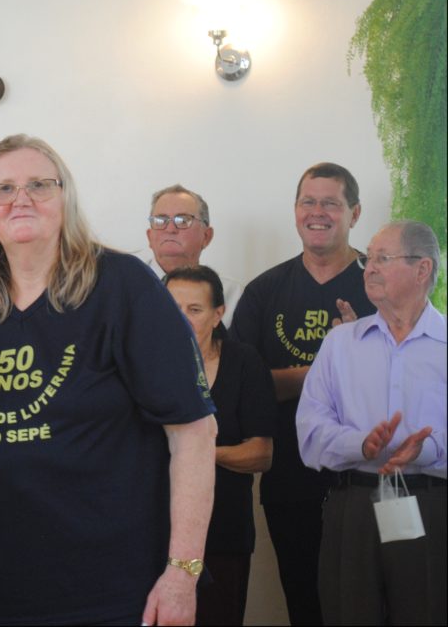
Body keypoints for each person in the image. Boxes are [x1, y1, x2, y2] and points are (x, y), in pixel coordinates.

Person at [0, 134, 217, 626]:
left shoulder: (121, 284)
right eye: (2, 188)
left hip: (116, 587)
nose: (21, 198)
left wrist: (183, 573)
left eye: (39, 184)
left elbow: (194, 432)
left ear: (65, 196)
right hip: (4, 585)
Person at [229, 162, 376, 625]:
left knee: (373, 606)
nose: (317, 212)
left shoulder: (382, 284)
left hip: (372, 479)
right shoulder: (264, 291)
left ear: (354, 213)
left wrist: (357, 363)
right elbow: (242, 390)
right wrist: (328, 368)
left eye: (330, 203)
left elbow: (409, 381)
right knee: (305, 604)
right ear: (295, 210)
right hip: (289, 478)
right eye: (308, 202)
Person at [297, 220, 446, 626]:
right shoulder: (340, 343)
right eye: (369, 259)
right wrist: (361, 444)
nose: (370, 268)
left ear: (422, 269)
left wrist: (427, 448)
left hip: (430, 502)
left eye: (383, 258)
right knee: (348, 613)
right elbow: (310, 428)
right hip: (354, 503)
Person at [165, 265, 276, 626]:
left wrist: (196, 454)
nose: (182, 319)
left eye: (194, 310)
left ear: (217, 315)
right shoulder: (143, 364)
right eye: (173, 308)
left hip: (224, 531)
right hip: (154, 533)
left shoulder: (244, 362)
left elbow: (261, 454)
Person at [143, 184, 242, 327]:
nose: (170, 229)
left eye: (183, 220)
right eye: (160, 220)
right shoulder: (124, 287)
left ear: (206, 236)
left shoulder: (233, 295)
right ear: (149, 237)